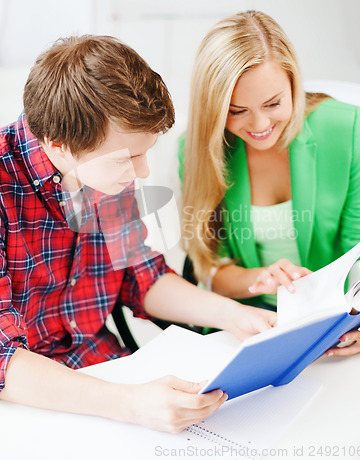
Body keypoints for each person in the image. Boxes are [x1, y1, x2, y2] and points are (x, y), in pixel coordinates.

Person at [0, 35, 276, 433]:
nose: (143, 172)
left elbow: (138, 273)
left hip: (106, 368)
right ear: (59, 147)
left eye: (145, 152)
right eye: (127, 158)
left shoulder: (103, 167)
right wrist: (130, 404)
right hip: (28, 399)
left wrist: (231, 315)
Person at [179, 11, 360, 356]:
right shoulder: (200, 149)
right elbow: (212, 269)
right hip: (247, 322)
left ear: (294, 84)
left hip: (337, 316)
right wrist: (261, 277)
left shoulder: (347, 128)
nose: (260, 124)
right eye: (237, 111)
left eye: (273, 103)